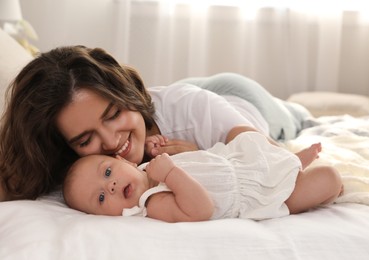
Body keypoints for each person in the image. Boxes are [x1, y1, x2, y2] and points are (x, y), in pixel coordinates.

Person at [0, 45, 304, 201]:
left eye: (113, 114)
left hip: (240, 98)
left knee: (296, 117)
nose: (110, 141)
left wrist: (206, 155)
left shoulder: (192, 109)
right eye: (84, 139)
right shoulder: (73, 164)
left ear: (127, 94)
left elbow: (276, 164)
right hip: (174, 97)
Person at [63, 132, 343, 222]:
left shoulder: (148, 168)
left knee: (265, 151)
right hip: (249, 198)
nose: (110, 185)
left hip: (238, 165)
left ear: (121, 159)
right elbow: (200, 209)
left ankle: (292, 162)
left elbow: (196, 160)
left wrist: (162, 150)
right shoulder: (152, 203)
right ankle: (321, 184)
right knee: (328, 177)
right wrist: (171, 173)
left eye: (108, 172)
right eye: (101, 197)